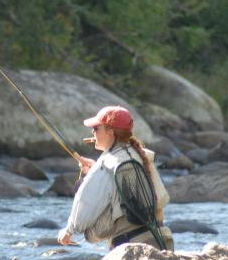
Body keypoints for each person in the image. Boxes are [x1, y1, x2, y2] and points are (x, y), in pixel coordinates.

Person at [57, 105, 173, 251]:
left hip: (130, 246)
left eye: (96, 128)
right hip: (162, 241)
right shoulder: (139, 154)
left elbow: (87, 200)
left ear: (110, 132)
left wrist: (69, 230)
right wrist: (94, 170)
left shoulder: (107, 164)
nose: (92, 132)